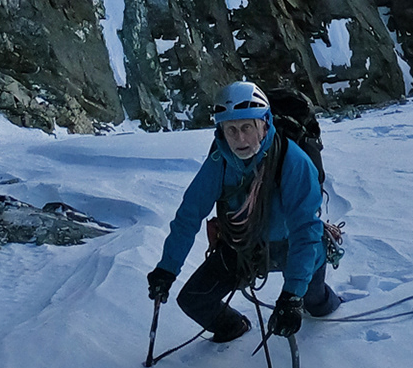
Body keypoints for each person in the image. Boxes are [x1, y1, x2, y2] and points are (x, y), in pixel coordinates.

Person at [146, 81, 342, 343]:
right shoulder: (220, 162)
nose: (239, 139)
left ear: (264, 124)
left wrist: (292, 295)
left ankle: (333, 303)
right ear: (221, 130)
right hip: (244, 246)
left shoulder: (293, 161)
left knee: (315, 303)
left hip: (294, 244)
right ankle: (234, 327)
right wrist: (167, 270)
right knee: (195, 300)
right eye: (231, 130)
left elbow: (305, 231)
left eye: (247, 127)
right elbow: (188, 216)